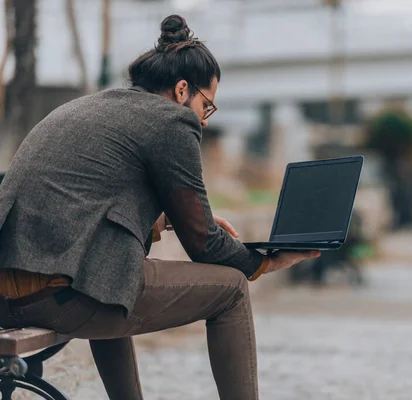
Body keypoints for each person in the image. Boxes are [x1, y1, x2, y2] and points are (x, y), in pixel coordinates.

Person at [0, 15, 319, 400]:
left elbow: (86, 197)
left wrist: (171, 218)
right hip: (58, 299)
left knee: (109, 274)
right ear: (183, 89)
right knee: (231, 289)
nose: (204, 117)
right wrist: (265, 263)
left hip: (9, 298)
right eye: (207, 105)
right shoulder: (171, 120)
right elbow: (204, 245)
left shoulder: (86, 108)